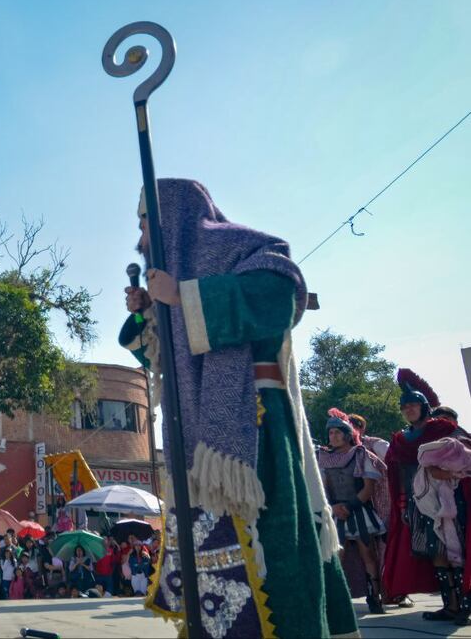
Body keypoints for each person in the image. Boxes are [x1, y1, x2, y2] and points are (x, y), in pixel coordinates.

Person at [120, 179, 357, 637]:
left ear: (173, 217)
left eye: (145, 223)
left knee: (274, 552)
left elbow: (280, 298)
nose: (141, 238)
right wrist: (150, 312)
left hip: (254, 427)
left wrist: (183, 297)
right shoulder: (174, 280)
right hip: (196, 442)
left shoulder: (247, 250)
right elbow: (161, 359)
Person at [382, 368, 471, 624]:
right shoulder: (400, 440)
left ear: (423, 407)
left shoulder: (444, 429)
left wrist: (448, 472)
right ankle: (450, 606)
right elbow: (397, 475)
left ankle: (464, 606)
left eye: (413, 405)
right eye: (405, 406)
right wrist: (401, 503)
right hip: (417, 502)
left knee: (458, 551)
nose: (409, 409)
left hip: (451, 498)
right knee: (435, 552)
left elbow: (465, 455)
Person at [317, 412, 388, 613]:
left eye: (338, 432)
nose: (334, 436)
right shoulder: (322, 456)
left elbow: (368, 488)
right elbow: (321, 487)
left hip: (359, 511)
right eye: (331, 433)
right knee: (336, 555)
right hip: (335, 512)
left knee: (368, 554)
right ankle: (337, 601)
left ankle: (375, 597)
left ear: (348, 434)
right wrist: (333, 507)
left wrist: (349, 507)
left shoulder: (360, 454)